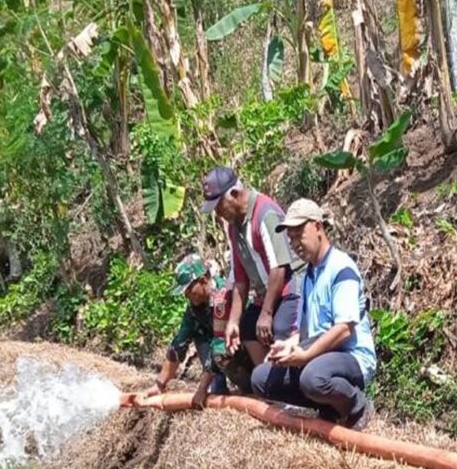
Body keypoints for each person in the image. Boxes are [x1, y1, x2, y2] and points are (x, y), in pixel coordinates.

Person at [250, 199, 376, 431]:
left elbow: (344, 330)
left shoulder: (341, 268)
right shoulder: (308, 274)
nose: (296, 243)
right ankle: (327, 407)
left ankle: (356, 405)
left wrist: (305, 355)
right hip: (321, 356)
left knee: (312, 377)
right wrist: (287, 346)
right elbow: (306, 331)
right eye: (291, 239)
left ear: (318, 227)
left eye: (300, 234)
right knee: (260, 379)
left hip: (350, 357)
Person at [200, 166, 305, 366]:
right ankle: (267, 382)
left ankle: (287, 386)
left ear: (235, 194)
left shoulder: (265, 214)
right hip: (266, 295)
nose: (218, 213)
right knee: (247, 328)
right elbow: (241, 279)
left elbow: (279, 269)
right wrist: (232, 322)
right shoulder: (234, 228)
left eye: (219, 206)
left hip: (290, 289)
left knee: (280, 328)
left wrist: (266, 314)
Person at [141, 254, 253, 407]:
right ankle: (219, 386)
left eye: (188, 289)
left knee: (220, 353)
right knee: (199, 336)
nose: (186, 295)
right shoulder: (195, 308)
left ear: (202, 281)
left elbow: (219, 344)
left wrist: (201, 389)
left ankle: (250, 390)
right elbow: (179, 344)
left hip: (242, 347)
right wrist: (159, 385)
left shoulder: (222, 296)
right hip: (217, 350)